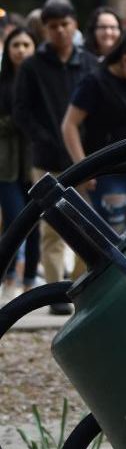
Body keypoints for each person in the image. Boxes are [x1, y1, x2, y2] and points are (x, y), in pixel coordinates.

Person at [13, 0, 97, 310]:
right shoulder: (33, 66)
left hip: (85, 157)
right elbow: (21, 110)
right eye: (53, 26)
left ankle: (81, 288)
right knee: (51, 228)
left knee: (86, 226)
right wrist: (43, 138)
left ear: (74, 24)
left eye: (65, 24)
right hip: (47, 159)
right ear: (45, 30)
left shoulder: (88, 62)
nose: (60, 31)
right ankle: (57, 294)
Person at [62, 30, 126, 234]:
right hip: (105, 169)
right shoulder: (95, 81)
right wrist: (82, 167)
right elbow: (69, 124)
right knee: (115, 232)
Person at [0, 25, 41, 299]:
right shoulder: (2, 84)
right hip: (5, 165)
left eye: (26, 45)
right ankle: (9, 275)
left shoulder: (40, 83)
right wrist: (17, 120)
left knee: (36, 222)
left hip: (35, 162)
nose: (21, 50)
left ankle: (29, 279)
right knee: (16, 221)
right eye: (16, 45)